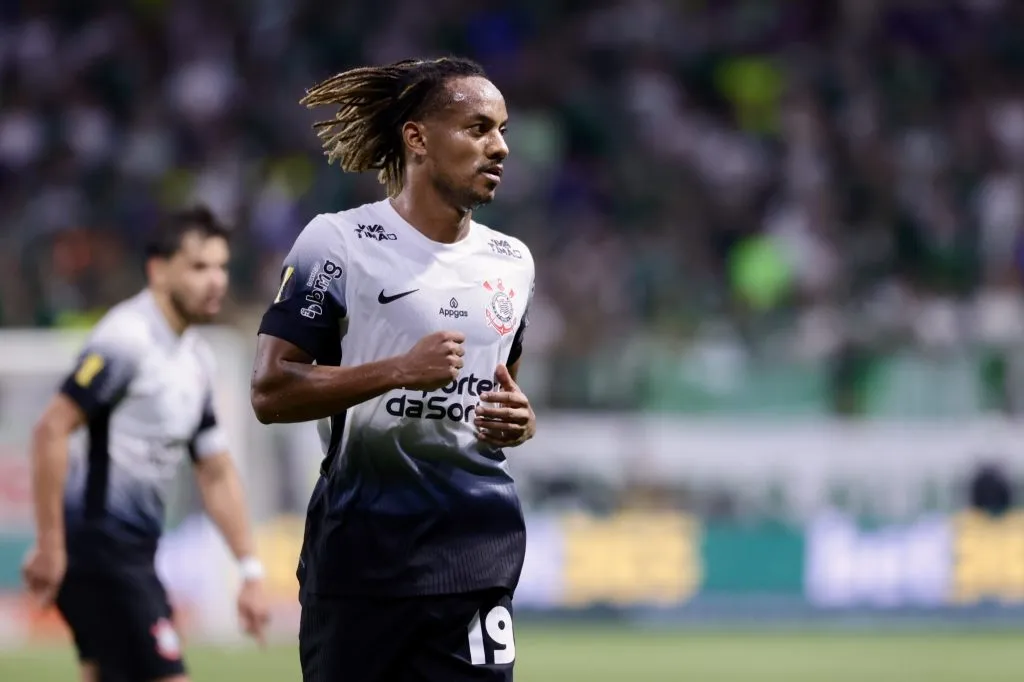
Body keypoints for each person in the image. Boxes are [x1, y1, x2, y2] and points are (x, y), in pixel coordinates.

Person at [250, 57, 536, 682]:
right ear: (418, 138)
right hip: (361, 561)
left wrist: (517, 419)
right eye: (479, 128)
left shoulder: (512, 261)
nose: (501, 147)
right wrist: (399, 370)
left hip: (476, 555)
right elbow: (271, 391)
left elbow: (497, 387)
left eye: (503, 130)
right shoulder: (337, 243)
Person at [23, 207, 270, 682]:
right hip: (99, 548)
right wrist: (51, 544)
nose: (216, 281)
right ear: (158, 270)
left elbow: (215, 470)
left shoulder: (196, 359)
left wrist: (251, 569)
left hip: (133, 549)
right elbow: (51, 429)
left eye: (221, 267)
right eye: (199, 267)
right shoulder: (126, 340)